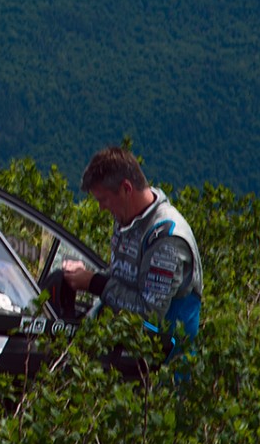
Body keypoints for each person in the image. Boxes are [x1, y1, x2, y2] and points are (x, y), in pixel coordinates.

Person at [46, 145, 203, 375]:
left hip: (162, 367)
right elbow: (124, 277)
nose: (102, 208)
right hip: (127, 351)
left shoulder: (167, 238)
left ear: (126, 189)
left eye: (104, 199)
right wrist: (85, 275)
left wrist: (94, 283)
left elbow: (149, 315)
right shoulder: (128, 218)